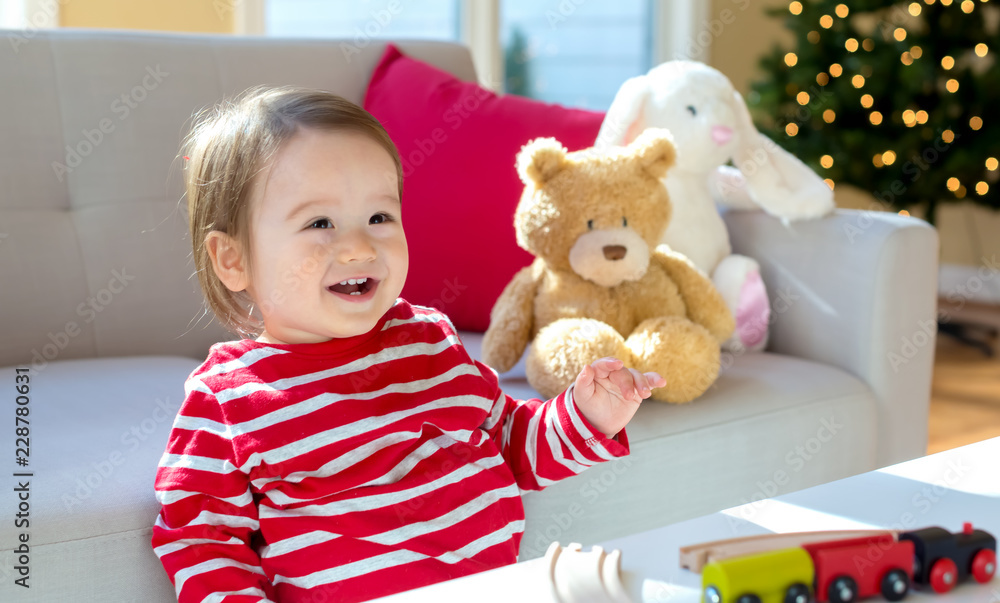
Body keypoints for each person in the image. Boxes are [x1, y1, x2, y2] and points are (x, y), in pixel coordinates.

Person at [151, 84, 666, 603]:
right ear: (233, 260)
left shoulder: (428, 342)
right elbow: (201, 540)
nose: (358, 247)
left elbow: (511, 441)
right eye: (319, 223)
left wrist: (584, 415)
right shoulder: (228, 400)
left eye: (379, 217)